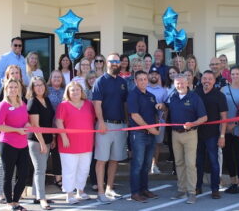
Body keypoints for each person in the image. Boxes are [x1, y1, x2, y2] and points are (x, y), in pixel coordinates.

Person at [92, 52, 128, 203]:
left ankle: (109, 188)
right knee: (102, 159)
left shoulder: (122, 82)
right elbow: (96, 104)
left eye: (117, 61)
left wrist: (127, 123)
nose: (115, 63)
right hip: (105, 125)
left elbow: (125, 104)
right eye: (112, 61)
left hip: (120, 126)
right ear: (107, 63)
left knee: (115, 159)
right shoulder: (100, 81)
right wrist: (100, 122)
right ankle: (101, 192)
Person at [168, 74, 207, 204]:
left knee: (190, 164)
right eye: (177, 83)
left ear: (188, 83)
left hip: (190, 134)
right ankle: (181, 189)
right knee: (179, 163)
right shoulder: (172, 97)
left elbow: (204, 118)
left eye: (182, 83)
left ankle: (192, 192)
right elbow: (168, 111)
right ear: (174, 84)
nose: (180, 85)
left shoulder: (194, 97)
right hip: (175, 134)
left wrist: (192, 123)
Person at [127, 70, 165, 202]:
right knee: (137, 164)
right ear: (135, 81)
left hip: (151, 135)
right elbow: (135, 115)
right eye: (140, 79)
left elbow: (156, 113)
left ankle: (144, 189)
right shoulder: (133, 95)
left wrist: (162, 109)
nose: (143, 81)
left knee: (146, 164)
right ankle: (135, 192)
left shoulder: (151, 96)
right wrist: (151, 129)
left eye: (145, 79)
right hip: (139, 134)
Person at [55, 81, 95, 204]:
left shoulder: (89, 104)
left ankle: (80, 191)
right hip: (68, 144)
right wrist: (64, 137)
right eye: (72, 90)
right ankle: (69, 194)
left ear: (81, 91)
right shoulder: (63, 105)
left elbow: (93, 120)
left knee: (84, 169)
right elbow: (59, 122)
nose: (75, 92)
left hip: (86, 142)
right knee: (69, 169)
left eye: (77, 89)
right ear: (68, 92)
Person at [0, 78, 30, 211]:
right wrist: (17, 130)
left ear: (19, 89)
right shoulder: (3, 105)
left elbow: (26, 121)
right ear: (6, 89)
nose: (13, 89)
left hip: (23, 144)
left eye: (15, 87)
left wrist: (27, 125)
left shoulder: (22, 103)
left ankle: (16, 201)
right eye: (10, 87)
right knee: (8, 175)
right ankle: (10, 203)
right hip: (7, 144)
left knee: (24, 174)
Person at [195, 70, 228, 199]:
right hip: (197, 134)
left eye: (210, 79)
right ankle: (198, 187)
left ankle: (215, 188)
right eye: (205, 78)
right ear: (201, 80)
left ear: (214, 81)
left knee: (214, 162)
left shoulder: (219, 95)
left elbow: (224, 117)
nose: (207, 81)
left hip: (213, 134)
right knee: (198, 162)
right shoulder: (196, 93)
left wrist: (222, 135)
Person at [26, 76, 55, 210]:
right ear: (32, 88)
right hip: (36, 141)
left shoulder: (47, 100)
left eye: (41, 84)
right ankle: (42, 198)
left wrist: (52, 138)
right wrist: (43, 143)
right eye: (36, 85)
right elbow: (35, 126)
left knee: (40, 169)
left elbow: (49, 122)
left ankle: (37, 195)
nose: (39, 87)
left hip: (48, 140)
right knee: (40, 170)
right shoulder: (33, 102)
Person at [220, 66, 239, 194]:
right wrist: (226, 126)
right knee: (228, 156)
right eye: (233, 74)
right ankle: (233, 182)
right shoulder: (224, 90)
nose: (235, 76)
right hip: (225, 129)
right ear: (230, 75)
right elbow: (220, 108)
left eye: (237, 73)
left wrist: (234, 123)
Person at [146, 67, 168, 174]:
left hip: (159, 121)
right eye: (151, 74)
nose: (153, 76)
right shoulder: (144, 87)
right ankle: (146, 165)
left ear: (158, 76)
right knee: (146, 143)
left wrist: (162, 107)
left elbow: (166, 107)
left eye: (156, 74)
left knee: (157, 144)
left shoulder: (163, 90)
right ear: (148, 75)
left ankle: (154, 165)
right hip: (145, 121)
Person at [46, 70, 65, 188]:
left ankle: (59, 178)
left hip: (63, 127)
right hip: (49, 126)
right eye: (55, 77)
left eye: (59, 77)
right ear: (51, 79)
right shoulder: (47, 91)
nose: (57, 79)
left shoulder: (65, 91)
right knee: (48, 152)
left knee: (59, 153)